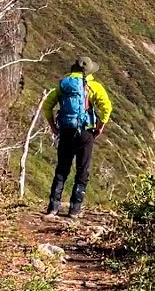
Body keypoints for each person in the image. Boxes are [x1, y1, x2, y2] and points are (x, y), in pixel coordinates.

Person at [41, 56, 113, 218]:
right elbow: (107, 108)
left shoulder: (64, 85)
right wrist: (100, 127)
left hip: (66, 130)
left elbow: (47, 106)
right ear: (89, 71)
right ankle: (74, 210)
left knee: (62, 169)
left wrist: (53, 126)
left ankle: (53, 208)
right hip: (86, 132)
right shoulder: (94, 86)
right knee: (82, 170)